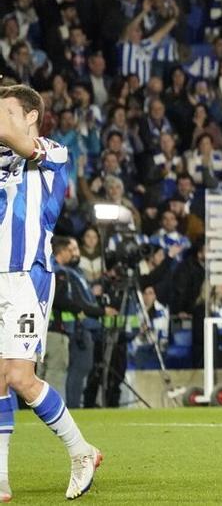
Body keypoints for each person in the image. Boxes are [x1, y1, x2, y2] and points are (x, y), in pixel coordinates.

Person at [0, 84, 101, 500]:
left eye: (7, 111)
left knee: (22, 378)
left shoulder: (53, 152)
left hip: (29, 274)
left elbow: (16, 141)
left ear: (30, 116)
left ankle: (81, 451)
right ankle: (1, 476)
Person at [47, 236, 109, 409]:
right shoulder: (59, 271)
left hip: (53, 329)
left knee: (45, 374)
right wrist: (80, 309)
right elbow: (61, 299)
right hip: (59, 330)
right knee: (56, 373)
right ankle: (55, 411)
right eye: (71, 250)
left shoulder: (56, 270)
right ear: (62, 251)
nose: (74, 254)